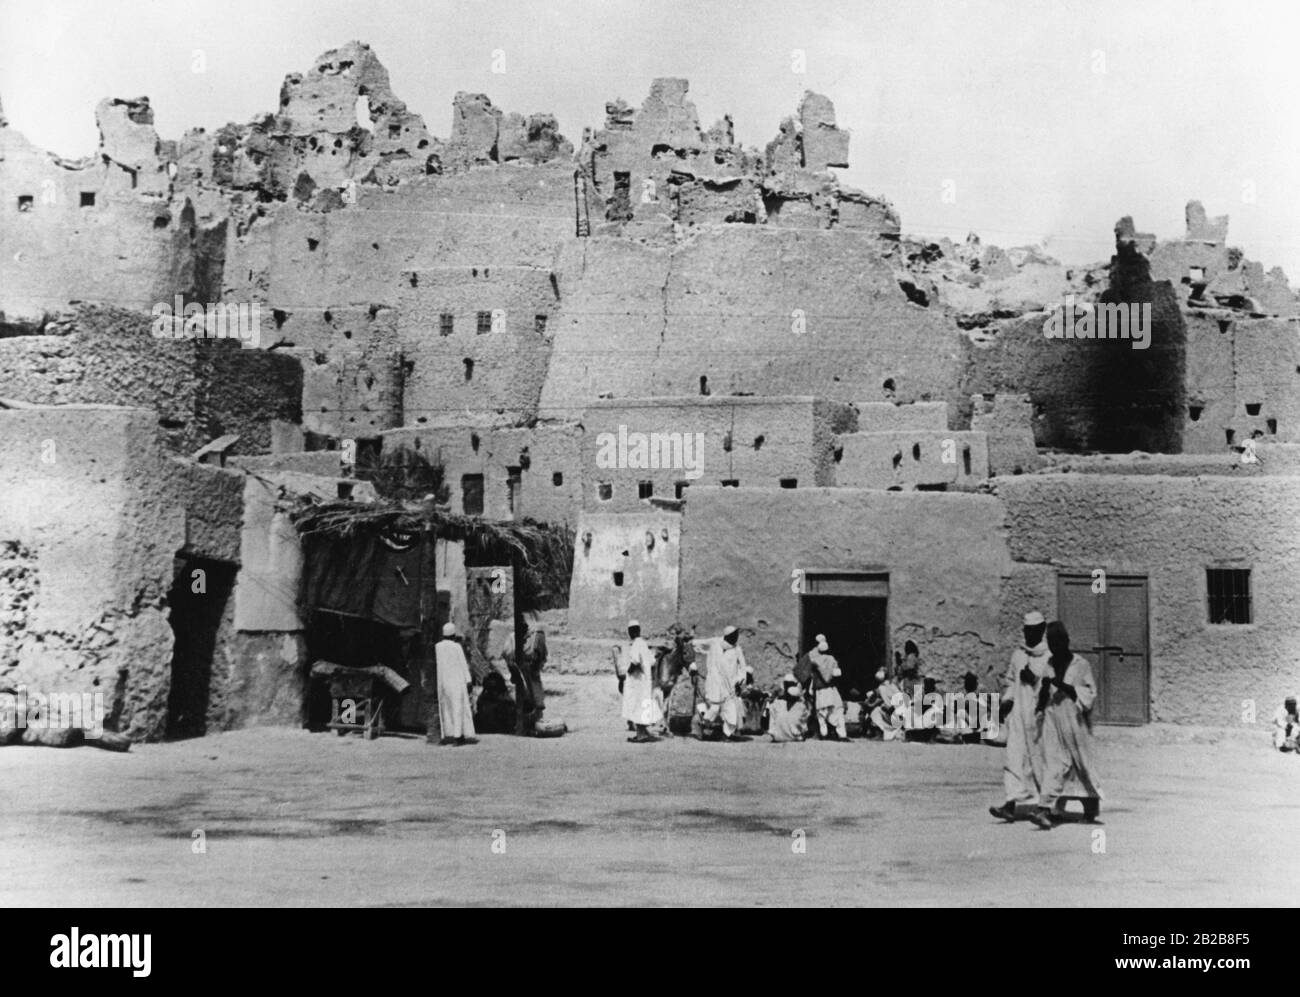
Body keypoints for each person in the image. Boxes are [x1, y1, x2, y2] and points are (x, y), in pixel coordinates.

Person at [1027, 621, 1102, 828]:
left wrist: (1064, 686)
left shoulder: (1081, 664)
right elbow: (1040, 701)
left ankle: (1091, 804)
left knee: (1081, 765)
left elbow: (1089, 696)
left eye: (1058, 642)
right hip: (1053, 720)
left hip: (1074, 721)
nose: (1054, 647)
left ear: (1066, 642)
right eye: (1051, 643)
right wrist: (1042, 692)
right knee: (1055, 764)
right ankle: (1044, 809)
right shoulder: (1048, 665)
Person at [989, 610, 1050, 821]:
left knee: (1040, 761)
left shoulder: (1049, 657)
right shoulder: (1018, 655)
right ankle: (1010, 803)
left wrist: (1034, 679)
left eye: (1032, 631)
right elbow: (1010, 681)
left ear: (1041, 631)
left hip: (1039, 716)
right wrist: (1006, 701)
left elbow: (1051, 687)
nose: (1028, 635)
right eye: (1026, 631)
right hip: (1017, 715)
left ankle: (1046, 806)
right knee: (1013, 757)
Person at [701, 625, 752, 740]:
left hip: (730, 685)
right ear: (728, 636)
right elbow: (700, 643)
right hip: (714, 683)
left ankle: (726, 734)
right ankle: (705, 727)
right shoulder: (715, 643)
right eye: (734, 635)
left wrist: (740, 681)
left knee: (731, 710)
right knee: (714, 708)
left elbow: (742, 668)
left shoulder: (737, 650)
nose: (736, 637)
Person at [435, 623, 478, 746]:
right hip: (457, 681)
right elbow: (463, 664)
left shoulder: (437, 646)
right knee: (458, 708)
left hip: (443, 681)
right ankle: (458, 736)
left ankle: (447, 734)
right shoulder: (456, 647)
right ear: (453, 635)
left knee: (445, 708)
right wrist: (468, 680)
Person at [621, 620, 662, 743]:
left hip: (637, 682)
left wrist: (627, 673)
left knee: (637, 706)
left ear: (631, 632)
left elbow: (635, 662)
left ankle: (641, 735)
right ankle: (643, 732)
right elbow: (653, 662)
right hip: (645, 682)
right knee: (643, 706)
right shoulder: (643, 644)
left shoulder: (636, 645)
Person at [808, 634, 848, 740]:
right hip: (831, 688)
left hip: (820, 690)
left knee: (821, 713)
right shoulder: (832, 660)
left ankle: (824, 734)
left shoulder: (814, 659)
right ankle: (841, 734)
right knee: (837, 711)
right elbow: (837, 674)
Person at [866, 666, 906, 740]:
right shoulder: (889, 685)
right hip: (897, 713)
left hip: (896, 713)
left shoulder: (885, 686)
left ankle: (881, 733)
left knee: (875, 712)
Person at [767, 673, 810, 742]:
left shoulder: (776, 704)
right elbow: (804, 727)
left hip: (778, 737)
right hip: (795, 737)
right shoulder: (801, 706)